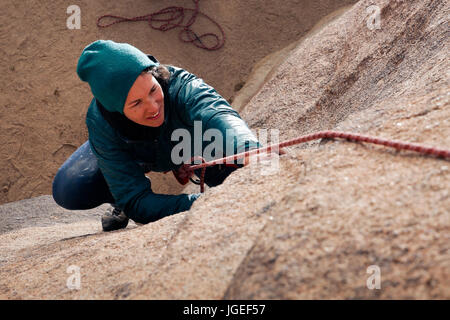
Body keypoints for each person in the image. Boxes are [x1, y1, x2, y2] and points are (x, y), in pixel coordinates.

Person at [52, 40, 261, 232]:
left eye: (153, 89)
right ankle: (119, 194)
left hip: (188, 143)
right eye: (136, 103)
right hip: (136, 154)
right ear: (115, 109)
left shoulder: (181, 85)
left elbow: (216, 112)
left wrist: (249, 148)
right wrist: (200, 202)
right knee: (70, 187)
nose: (153, 107)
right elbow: (137, 202)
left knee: (235, 163)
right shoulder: (102, 123)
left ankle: (196, 164)